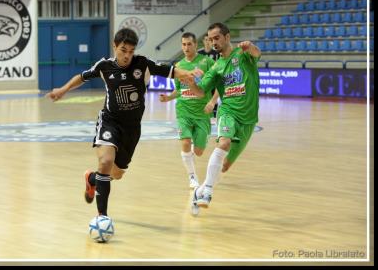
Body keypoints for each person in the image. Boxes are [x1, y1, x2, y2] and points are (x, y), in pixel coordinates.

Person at [45, 28, 194, 219]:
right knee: (105, 162)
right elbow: (82, 77)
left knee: (116, 174)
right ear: (114, 46)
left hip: (132, 128)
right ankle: (102, 218)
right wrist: (63, 89)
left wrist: (186, 75)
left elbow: (169, 71)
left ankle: (91, 179)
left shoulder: (142, 64)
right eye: (123, 50)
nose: (127, 56)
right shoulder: (105, 66)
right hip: (110, 121)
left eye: (131, 51)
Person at [182, 22, 261, 215]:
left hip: (248, 119)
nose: (214, 42)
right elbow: (201, 92)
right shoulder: (216, 67)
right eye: (210, 39)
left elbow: (257, 53)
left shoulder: (243, 55)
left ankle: (198, 192)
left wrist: (250, 46)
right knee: (223, 143)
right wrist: (191, 82)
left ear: (227, 37)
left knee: (224, 166)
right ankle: (207, 191)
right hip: (228, 112)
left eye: (217, 38)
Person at [159, 32, 218, 189]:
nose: (186, 47)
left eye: (189, 44)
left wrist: (213, 101)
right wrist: (168, 98)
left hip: (202, 113)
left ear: (195, 45)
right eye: (183, 44)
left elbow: (218, 83)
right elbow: (179, 91)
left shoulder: (207, 62)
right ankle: (192, 177)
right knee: (185, 142)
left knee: (198, 152)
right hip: (183, 111)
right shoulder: (178, 66)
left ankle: (192, 153)